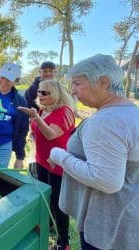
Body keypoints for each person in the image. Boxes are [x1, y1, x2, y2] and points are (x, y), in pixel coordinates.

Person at [48, 54, 139, 249]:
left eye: (78, 83)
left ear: (104, 83)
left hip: (106, 229)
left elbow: (105, 180)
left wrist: (59, 155)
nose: (72, 90)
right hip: (126, 222)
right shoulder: (131, 112)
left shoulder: (106, 121)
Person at [18, 80, 76, 250]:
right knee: (45, 197)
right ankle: (49, 226)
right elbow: (38, 131)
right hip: (42, 161)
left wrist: (35, 117)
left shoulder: (65, 111)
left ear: (56, 94)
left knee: (59, 204)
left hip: (57, 164)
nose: (40, 95)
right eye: (39, 92)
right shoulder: (43, 110)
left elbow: (51, 134)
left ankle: (63, 242)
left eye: (45, 93)